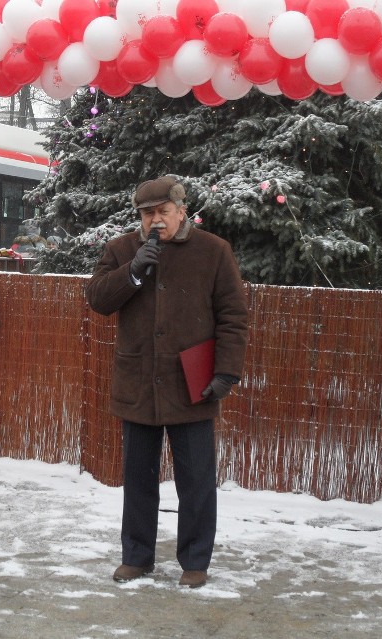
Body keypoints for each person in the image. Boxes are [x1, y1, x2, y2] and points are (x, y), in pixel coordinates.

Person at [86, 176, 248, 589]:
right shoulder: (122, 250)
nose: (155, 220)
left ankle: (195, 561)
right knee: (138, 478)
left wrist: (226, 372)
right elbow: (99, 300)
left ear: (181, 210)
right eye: (147, 213)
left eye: (163, 212)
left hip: (191, 384)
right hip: (138, 381)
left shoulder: (213, 251)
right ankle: (136, 557)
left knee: (195, 480)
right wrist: (134, 270)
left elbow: (232, 316)